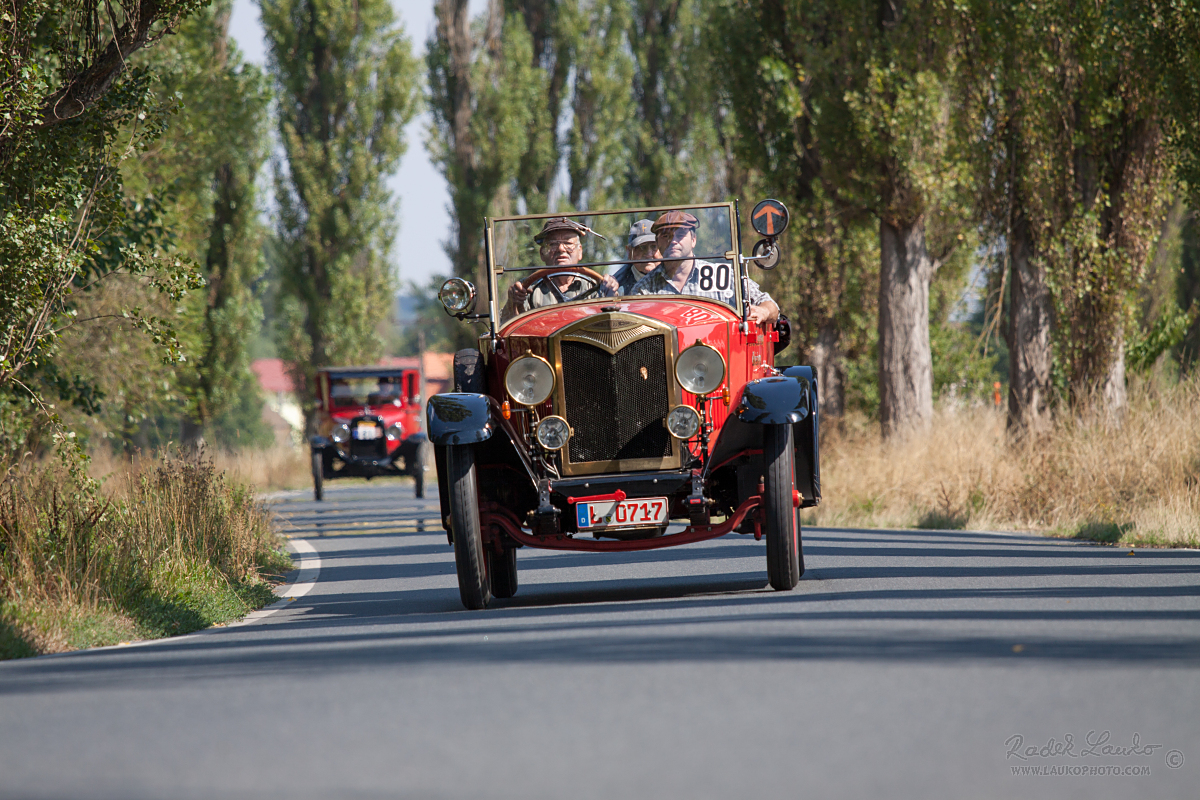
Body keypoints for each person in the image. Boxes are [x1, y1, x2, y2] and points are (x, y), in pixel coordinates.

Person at [631, 210, 780, 324]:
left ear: (693, 240)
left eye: (680, 234)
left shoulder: (722, 276)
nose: (673, 241)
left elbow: (769, 304)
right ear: (658, 243)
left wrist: (763, 311)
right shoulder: (644, 290)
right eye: (665, 235)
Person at [501, 217, 601, 321]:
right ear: (542, 253)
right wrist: (512, 303)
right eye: (553, 244)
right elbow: (507, 328)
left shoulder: (595, 287)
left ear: (580, 251)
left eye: (568, 243)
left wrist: (612, 293)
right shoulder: (527, 289)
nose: (561, 249)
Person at [606, 219, 661, 296]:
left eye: (654, 246)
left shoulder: (673, 276)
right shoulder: (617, 285)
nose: (648, 254)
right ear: (629, 252)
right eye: (642, 247)